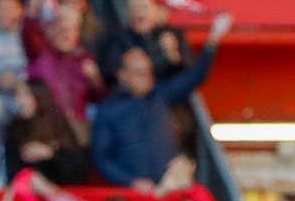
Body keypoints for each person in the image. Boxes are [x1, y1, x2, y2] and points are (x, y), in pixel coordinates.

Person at [88, 14, 230, 188]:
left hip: (169, 190)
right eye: (139, 73)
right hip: (133, 196)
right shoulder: (108, 110)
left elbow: (195, 76)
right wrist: (130, 182)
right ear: (122, 75)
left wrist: (212, 41)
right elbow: (102, 158)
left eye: (149, 72)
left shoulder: (160, 95)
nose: (147, 78)